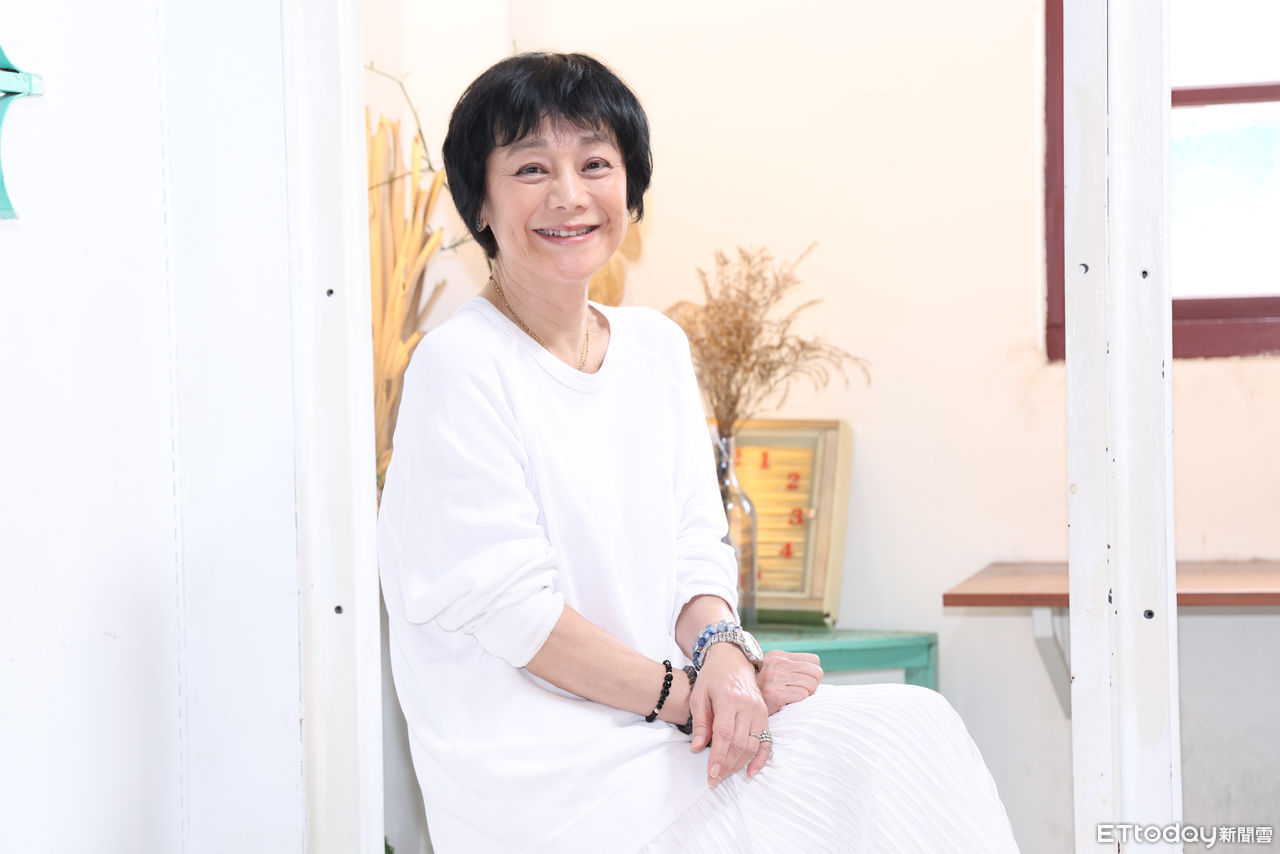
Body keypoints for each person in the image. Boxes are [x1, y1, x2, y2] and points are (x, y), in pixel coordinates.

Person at [377, 52, 1021, 854]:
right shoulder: (459, 365)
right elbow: (521, 618)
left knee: (911, 727)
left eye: (595, 164)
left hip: (668, 729)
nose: (569, 195)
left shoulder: (654, 347)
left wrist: (725, 658)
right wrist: (700, 698)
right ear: (479, 198)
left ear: (630, 190)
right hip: (549, 778)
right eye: (531, 168)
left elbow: (694, 547)